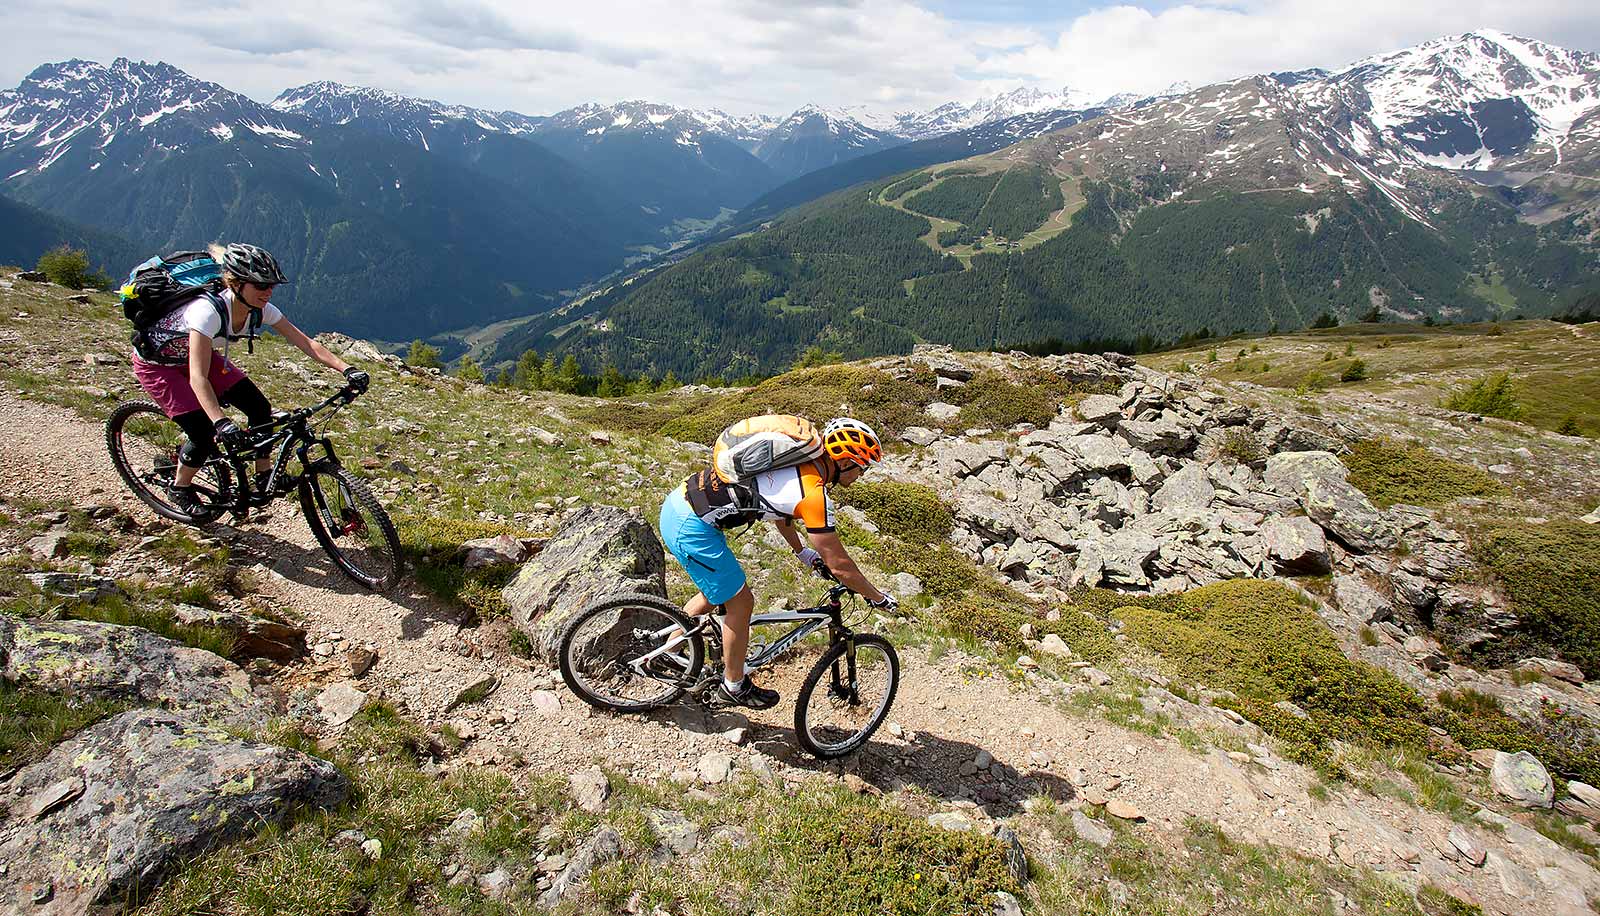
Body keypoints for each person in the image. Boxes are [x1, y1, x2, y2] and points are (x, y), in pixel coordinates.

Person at [657, 417, 898, 709]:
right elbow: (840, 565)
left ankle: (668, 652)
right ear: (846, 462)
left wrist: (802, 553)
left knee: (718, 592)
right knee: (741, 602)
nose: (861, 474)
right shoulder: (813, 494)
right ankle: (734, 686)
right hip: (691, 528)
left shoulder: (802, 462)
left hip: (680, 504)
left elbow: (782, 512)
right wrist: (877, 597)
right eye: (862, 467)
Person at [130, 243, 369, 516]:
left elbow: (306, 343)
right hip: (159, 367)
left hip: (198, 356)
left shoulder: (260, 309)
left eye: (271, 286)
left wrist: (347, 369)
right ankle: (180, 487)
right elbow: (198, 377)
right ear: (236, 284)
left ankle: (264, 476)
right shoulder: (206, 312)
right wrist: (220, 421)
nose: (268, 292)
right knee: (202, 431)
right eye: (260, 285)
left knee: (259, 408)